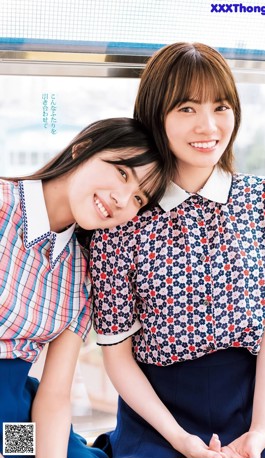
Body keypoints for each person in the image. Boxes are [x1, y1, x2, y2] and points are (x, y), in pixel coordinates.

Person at [90, 43, 265, 458]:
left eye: (221, 106)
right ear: (155, 115)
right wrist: (179, 439)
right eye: (187, 108)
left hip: (252, 394)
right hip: (156, 404)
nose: (208, 125)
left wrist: (260, 430)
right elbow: (112, 354)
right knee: (32, 442)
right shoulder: (116, 222)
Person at [0, 117, 171, 458]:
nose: (123, 201)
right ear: (82, 149)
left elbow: (55, 395)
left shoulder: (81, 272)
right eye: (123, 173)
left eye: (139, 198)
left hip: (15, 418)